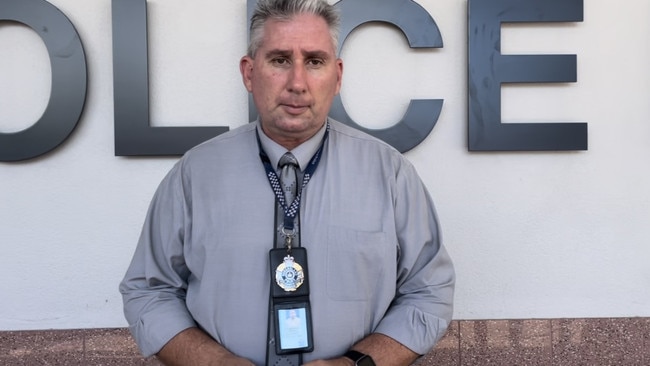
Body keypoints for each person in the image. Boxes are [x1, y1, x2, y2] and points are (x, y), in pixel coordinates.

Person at [119, 0, 455, 365]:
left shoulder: (390, 174)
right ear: (249, 72)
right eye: (279, 60)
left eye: (314, 61)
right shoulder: (194, 175)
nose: (297, 83)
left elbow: (429, 291)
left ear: (337, 75)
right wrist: (214, 363)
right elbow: (149, 291)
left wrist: (358, 364)